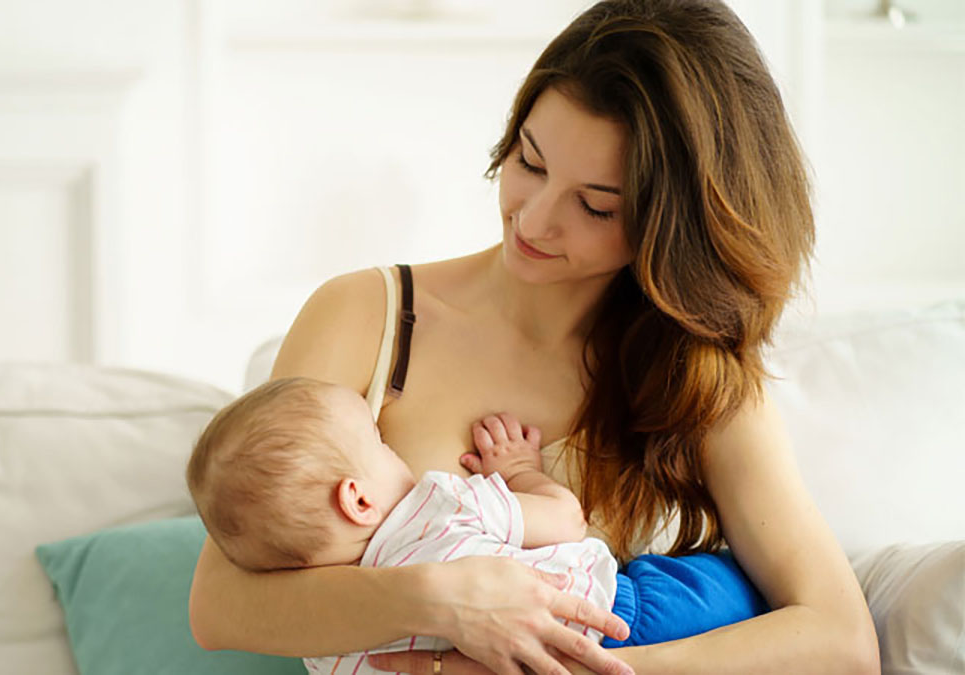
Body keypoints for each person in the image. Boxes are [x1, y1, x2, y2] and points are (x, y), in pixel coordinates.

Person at [189, 1, 881, 673]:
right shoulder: (366, 314)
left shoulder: (694, 373)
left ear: (673, 225)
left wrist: (587, 668)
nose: (535, 220)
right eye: (531, 161)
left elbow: (840, 640)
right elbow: (220, 604)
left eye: (595, 204)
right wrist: (448, 598)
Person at [186, 376, 624, 674]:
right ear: (358, 499)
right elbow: (568, 519)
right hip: (612, 613)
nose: (392, 446)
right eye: (378, 440)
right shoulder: (439, 506)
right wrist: (518, 471)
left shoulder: (324, 650)